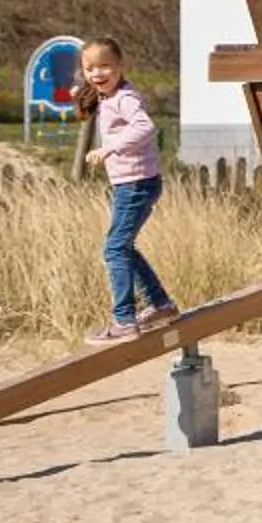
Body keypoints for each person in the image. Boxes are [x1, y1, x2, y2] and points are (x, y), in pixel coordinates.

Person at [77, 39, 173, 344]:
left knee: (114, 249)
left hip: (136, 185)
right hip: (132, 184)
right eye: (90, 68)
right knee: (123, 247)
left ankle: (124, 320)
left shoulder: (125, 98)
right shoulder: (108, 97)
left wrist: (109, 149)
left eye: (105, 66)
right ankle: (161, 306)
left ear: (120, 67)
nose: (97, 73)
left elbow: (144, 127)